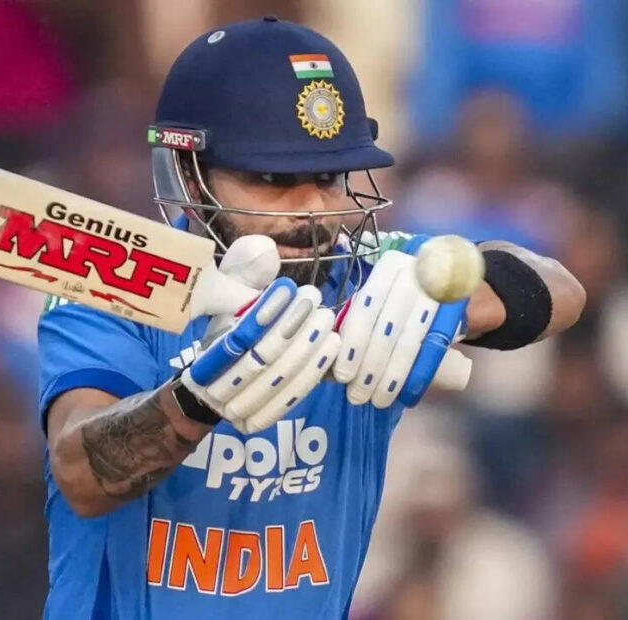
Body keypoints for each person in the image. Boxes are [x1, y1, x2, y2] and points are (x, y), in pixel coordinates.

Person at [37, 17, 585, 619]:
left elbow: (564, 292)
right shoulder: (113, 285)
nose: (312, 210)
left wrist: (446, 301)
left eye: (327, 177)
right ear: (190, 173)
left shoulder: (368, 273)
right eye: (273, 178)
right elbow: (80, 474)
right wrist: (196, 400)